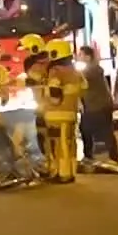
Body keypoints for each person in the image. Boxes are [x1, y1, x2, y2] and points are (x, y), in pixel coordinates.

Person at [41, 47, 84, 182]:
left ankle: (62, 174)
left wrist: (48, 99)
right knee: (70, 143)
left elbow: (55, 94)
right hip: (71, 113)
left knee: (60, 145)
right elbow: (84, 87)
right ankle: (71, 172)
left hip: (56, 115)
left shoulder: (56, 71)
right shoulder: (76, 72)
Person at [77, 47, 118, 169]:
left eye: (80, 54)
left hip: (99, 105)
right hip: (93, 106)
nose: (78, 56)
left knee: (105, 131)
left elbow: (78, 79)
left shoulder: (93, 69)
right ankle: (89, 156)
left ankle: (113, 157)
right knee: (86, 130)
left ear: (88, 56)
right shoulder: (90, 69)